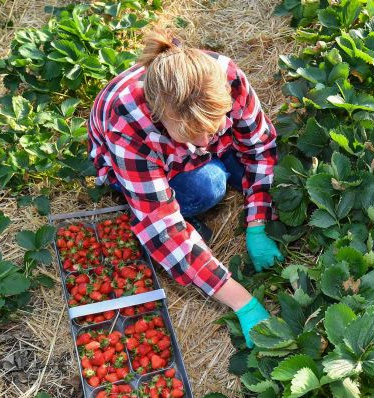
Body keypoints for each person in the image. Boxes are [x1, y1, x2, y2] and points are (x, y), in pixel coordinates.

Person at [87, 30, 285, 347]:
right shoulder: (129, 125)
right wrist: (242, 303)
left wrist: (257, 222)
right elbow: (164, 228)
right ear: (161, 119)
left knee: (249, 164)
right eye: (192, 136)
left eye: (213, 128)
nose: (206, 143)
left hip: (182, 137)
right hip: (136, 161)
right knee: (208, 186)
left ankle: (213, 156)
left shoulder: (226, 77)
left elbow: (260, 148)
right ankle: (203, 176)